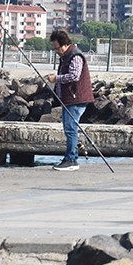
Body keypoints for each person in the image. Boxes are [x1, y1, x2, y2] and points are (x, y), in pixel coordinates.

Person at [47, 30, 94, 171]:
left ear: (65, 44)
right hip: (69, 99)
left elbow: (74, 76)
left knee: (71, 129)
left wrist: (56, 78)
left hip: (76, 98)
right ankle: (70, 157)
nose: (56, 51)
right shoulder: (66, 55)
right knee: (70, 128)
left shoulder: (75, 55)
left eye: (57, 48)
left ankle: (71, 160)